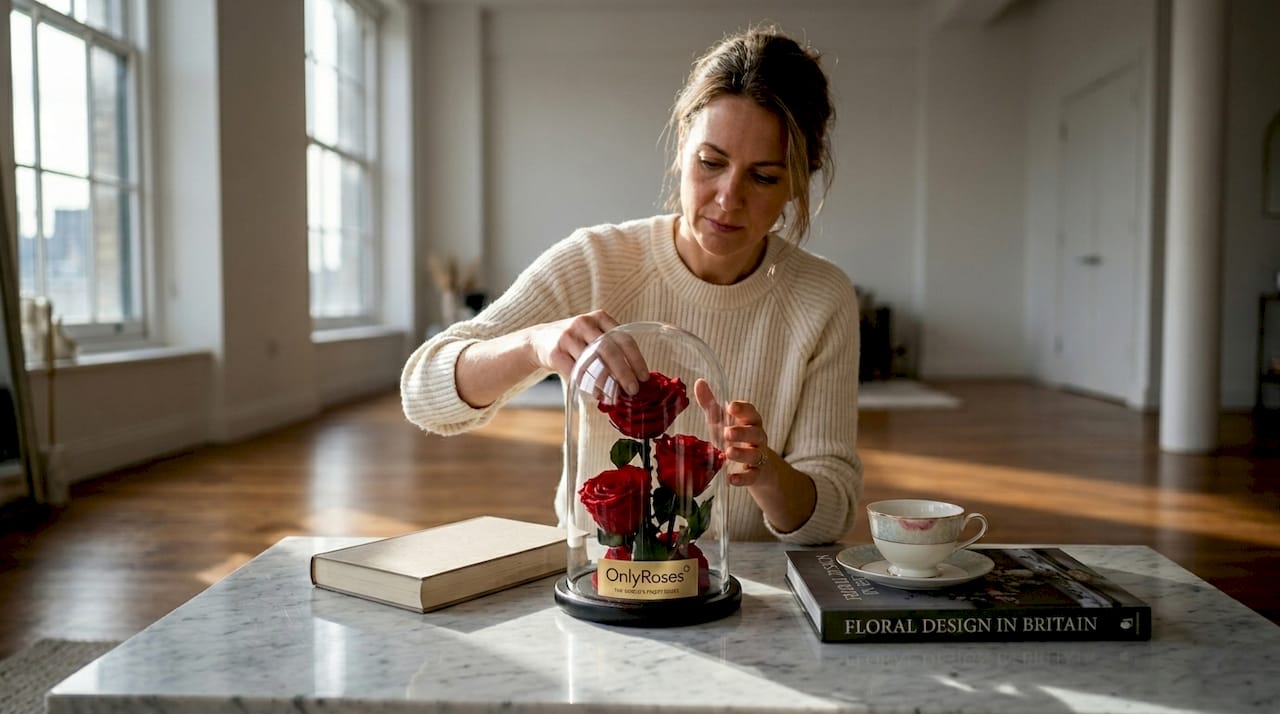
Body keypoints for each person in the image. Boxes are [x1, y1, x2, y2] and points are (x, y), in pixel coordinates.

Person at [401, 25, 861, 545]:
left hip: (750, 596)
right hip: (602, 587)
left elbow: (833, 510)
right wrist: (536, 344)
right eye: (711, 163)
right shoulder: (596, 261)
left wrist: (764, 471)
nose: (728, 199)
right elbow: (423, 394)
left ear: (799, 181)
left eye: (763, 177)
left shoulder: (823, 297)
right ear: (680, 147)